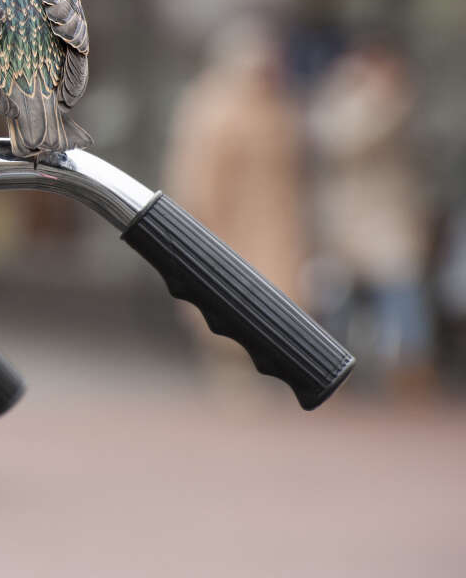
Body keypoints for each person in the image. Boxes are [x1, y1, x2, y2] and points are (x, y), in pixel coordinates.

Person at [163, 23, 310, 387]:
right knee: (227, 295)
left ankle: (271, 365)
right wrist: (202, 214)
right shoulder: (213, 106)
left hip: (272, 218)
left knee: (276, 294)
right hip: (227, 221)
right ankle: (231, 370)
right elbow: (198, 169)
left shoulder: (276, 105)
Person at [308, 41, 433, 390]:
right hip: (350, 218)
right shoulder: (351, 100)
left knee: (400, 290)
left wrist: (356, 89)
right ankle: (325, 364)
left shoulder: (393, 102)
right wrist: (344, 86)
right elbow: (322, 133)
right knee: (340, 294)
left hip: (385, 218)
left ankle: (412, 369)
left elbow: (347, 138)